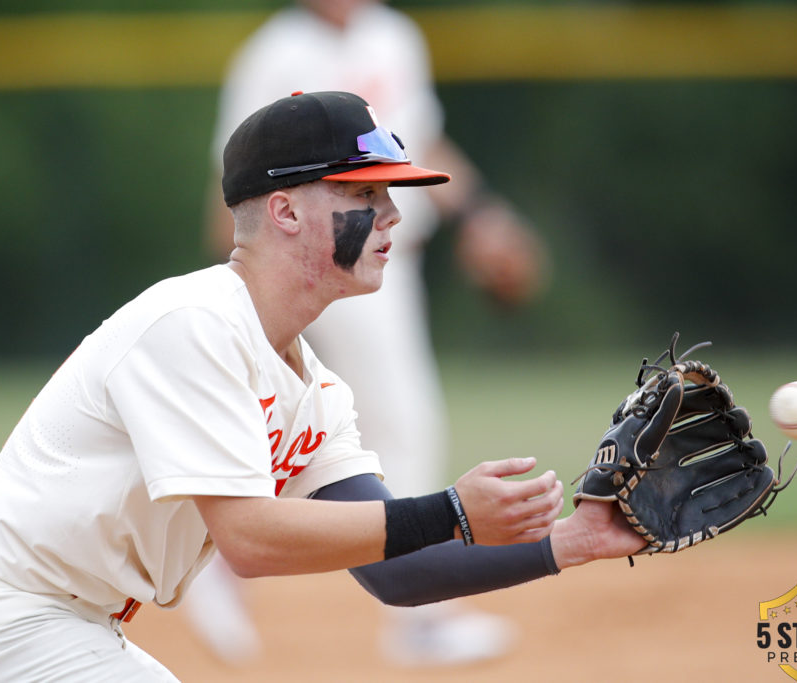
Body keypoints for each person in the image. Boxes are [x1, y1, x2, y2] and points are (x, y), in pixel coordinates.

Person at [0, 90, 643, 683]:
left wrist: (571, 543)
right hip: (0, 626)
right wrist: (456, 509)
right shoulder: (195, 322)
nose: (393, 215)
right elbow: (249, 541)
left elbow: (395, 569)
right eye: (364, 193)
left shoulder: (314, 385)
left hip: (60, 629)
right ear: (284, 211)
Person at [189, 0, 550, 667]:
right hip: (320, 259)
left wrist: (478, 216)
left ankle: (207, 554)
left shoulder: (395, 36)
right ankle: (420, 616)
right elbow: (233, 179)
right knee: (398, 424)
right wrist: (234, 292)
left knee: (306, 426)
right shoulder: (274, 53)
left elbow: (419, 144)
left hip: (389, 262)